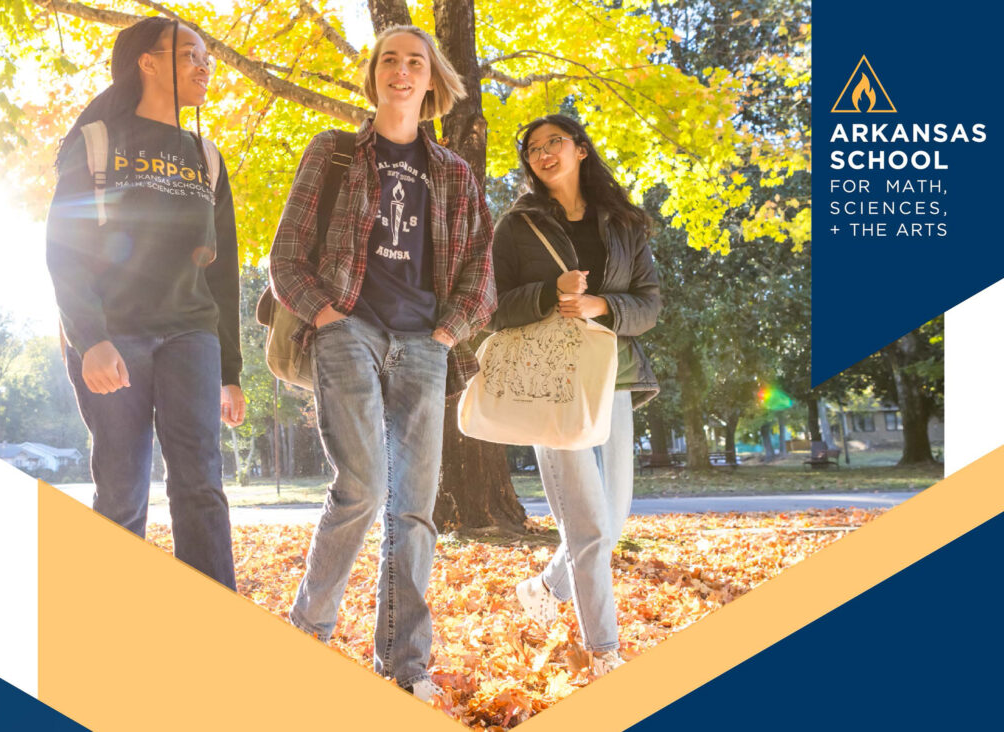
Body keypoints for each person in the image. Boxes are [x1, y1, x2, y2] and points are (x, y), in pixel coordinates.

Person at [269, 25, 496, 701]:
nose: (402, 70)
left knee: (415, 509)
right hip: (348, 327)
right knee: (364, 485)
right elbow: (286, 256)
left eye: (415, 62)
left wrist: (448, 334)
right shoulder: (334, 153)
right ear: (374, 76)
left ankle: (403, 666)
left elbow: (481, 270)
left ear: (431, 82)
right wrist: (325, 314)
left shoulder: (454, 172)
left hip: (425, 342)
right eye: (390, 60)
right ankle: (307, 631)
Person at [46, 17, 244, 590]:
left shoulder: (206, 156)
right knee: (123, 489)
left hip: (191, 336)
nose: (204, 65)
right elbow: (65, 248)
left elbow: (223, 271)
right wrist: (91, 337)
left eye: (207, 56)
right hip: (115, 334)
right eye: (189, 54)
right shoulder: (98, 141)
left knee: (201, 485)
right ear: (147, 62)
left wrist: (229, 370)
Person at [489, 114, 661, 677]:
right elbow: (494, 307)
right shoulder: (515, 226)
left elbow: (651, 304)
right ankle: (604, 651)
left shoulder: (623, 223)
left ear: (581, 150)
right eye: (533, 149)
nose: (543, 154)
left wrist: (602, 306)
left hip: (611, 377)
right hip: (549, 384)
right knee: (588, 525)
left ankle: (543, 588)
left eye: (553, 143)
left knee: (610, 523)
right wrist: (549, 293)